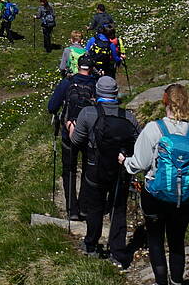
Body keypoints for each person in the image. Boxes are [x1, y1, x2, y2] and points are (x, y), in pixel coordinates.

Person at [126, 84, 189, 285]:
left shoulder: (154, 129)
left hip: (155, 196)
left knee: (155, 239)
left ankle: (161, 282)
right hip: (184, 198)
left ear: (165, 102)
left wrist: (125, 161)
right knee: (177, 241)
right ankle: (177, 282)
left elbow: (140, 164)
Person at [70, 75, 139, 268]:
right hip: (120, 171)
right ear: (115, 93)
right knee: (118, 210)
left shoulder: (87, 113)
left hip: (95, 169)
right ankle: (117, 252)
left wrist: (71, 129)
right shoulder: (128, 117)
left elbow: (76, 141)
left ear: (97, 93)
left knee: (95, 208)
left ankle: (91, 244)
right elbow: (139, 143)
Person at [46, 57, 99, 217]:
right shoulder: (95, 84)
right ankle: (83, 207)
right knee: (86, 168)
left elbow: (52, 107)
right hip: (89, 133)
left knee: (69, 169)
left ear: (77, 66)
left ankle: (71, 209)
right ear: (91, 68)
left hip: (68, 132)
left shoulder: (67, 83)